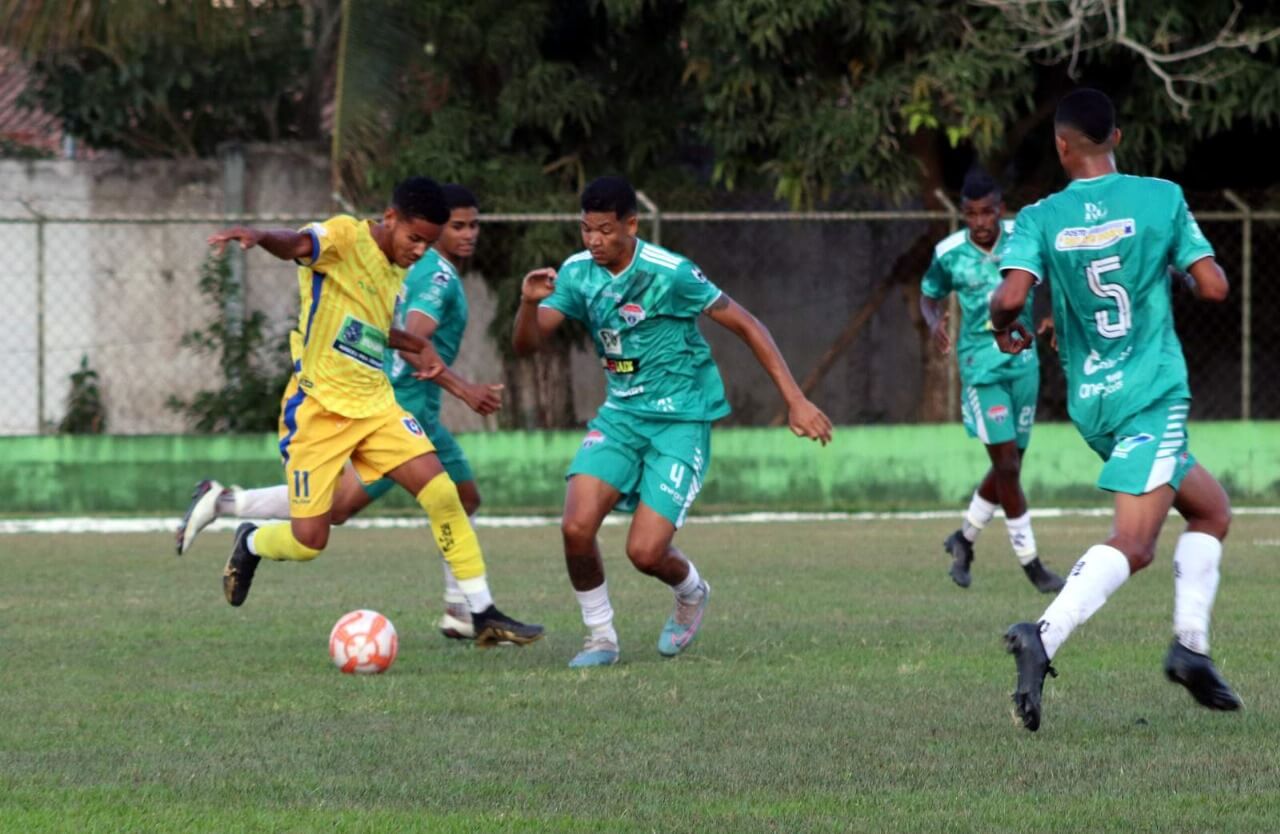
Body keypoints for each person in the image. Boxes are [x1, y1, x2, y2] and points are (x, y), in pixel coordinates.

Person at [990, 88, 1240, 731]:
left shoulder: (1042, 215)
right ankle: (1040, 636)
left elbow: (1011, 297)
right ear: (1118, 139)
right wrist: (1171, 268)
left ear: (1061, 145)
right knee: (1136, 542)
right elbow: (1214, 286)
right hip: (1152, 392)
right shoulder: (1161, 198)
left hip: (1092, 403)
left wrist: (1003, 328)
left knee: (1210, 510)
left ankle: (1191, 649)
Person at [203, 177, 542, 647]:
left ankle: (481, 613)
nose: (420, 250)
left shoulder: (395, 267)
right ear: (389, 219)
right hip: (318, 409)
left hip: (377, 405)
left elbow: (369, 327)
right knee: (309, 540)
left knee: (443, 494)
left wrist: (412, 344)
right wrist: (261, 237)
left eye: (427, 242)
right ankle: (252, 540)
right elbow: (298, 243)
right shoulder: (344, 237)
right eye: (414, 238)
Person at [512, 175, 832, 668]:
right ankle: (601, 638)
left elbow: (748, 324)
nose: (594, 241)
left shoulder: (671, 273)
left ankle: (690, 589)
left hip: (680, 420)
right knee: (576, 526)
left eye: (604, 230)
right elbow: (526, 346)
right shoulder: (577, 273)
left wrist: (795, 399)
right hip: (620, 417)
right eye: (585, 230)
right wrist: (529, 304)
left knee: (644, 553)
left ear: (631, 224)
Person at [921, 170, 1064, 594]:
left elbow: (1060, 269)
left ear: (1000, 210)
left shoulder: (1024, 238)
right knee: (1006, 465)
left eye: (987, 212)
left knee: (1010, 463)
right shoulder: (948, 253)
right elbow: (928, 293)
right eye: (971, 214)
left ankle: (963, 539)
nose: (980, 222)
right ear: (963, 214)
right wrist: (933, 323)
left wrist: (1053, 310)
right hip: (980, 365)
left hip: (1023, 361)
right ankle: (1032, 564)